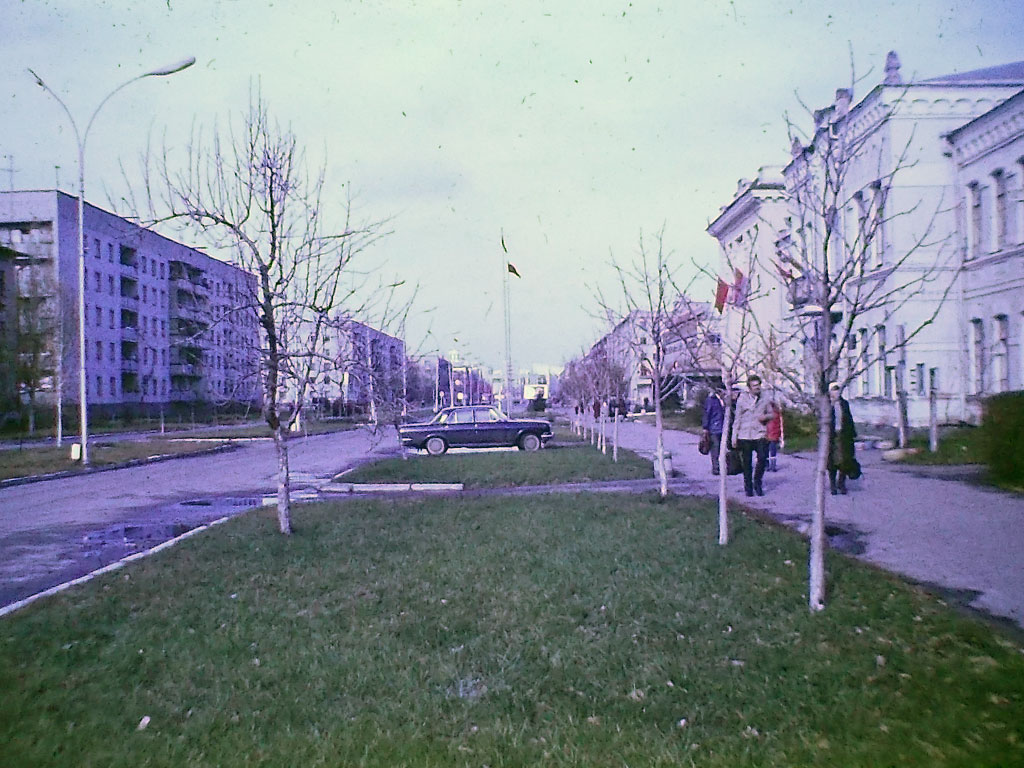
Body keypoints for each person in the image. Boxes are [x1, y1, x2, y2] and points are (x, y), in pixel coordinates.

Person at [730, 374, 774, 496]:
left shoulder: (765, 398)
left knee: (762, 457)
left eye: (758, 385)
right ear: (749, 388)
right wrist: (734, 436)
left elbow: (772, 414)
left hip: (759, 433)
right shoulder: (742, 399)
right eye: (754, 386)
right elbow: (737, 419)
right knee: (747, 463)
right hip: (745, 434)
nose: (757, 388)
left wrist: (765, 417)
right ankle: (748, 487)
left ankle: (757, 482)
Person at [828, 381, 857, 495]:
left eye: (838, 389)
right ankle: (833, 485)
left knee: (845, 461)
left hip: (844, 436)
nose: (836, 392)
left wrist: (853, 433)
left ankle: (841, 483)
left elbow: (849, 419)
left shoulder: (844, 403)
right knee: (832, 462)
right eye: (834, 390)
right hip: (832, 437)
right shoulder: (827, 405)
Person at [701, 386, 726, 475]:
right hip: (714, 428)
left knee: (722, 448)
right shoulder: (711, 400)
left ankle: (723, 466)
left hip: (724, 427)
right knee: (715, 448)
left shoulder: (725, 400)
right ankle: (716, 468)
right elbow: (707, 413)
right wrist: (705, 427)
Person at [765, 402, 783, 472]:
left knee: (769, 451)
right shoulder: (776, 414)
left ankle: (769, 466)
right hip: (771, 435)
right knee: (770, 452)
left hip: (771, 435)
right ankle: (771, 466)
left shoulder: (773, 415)